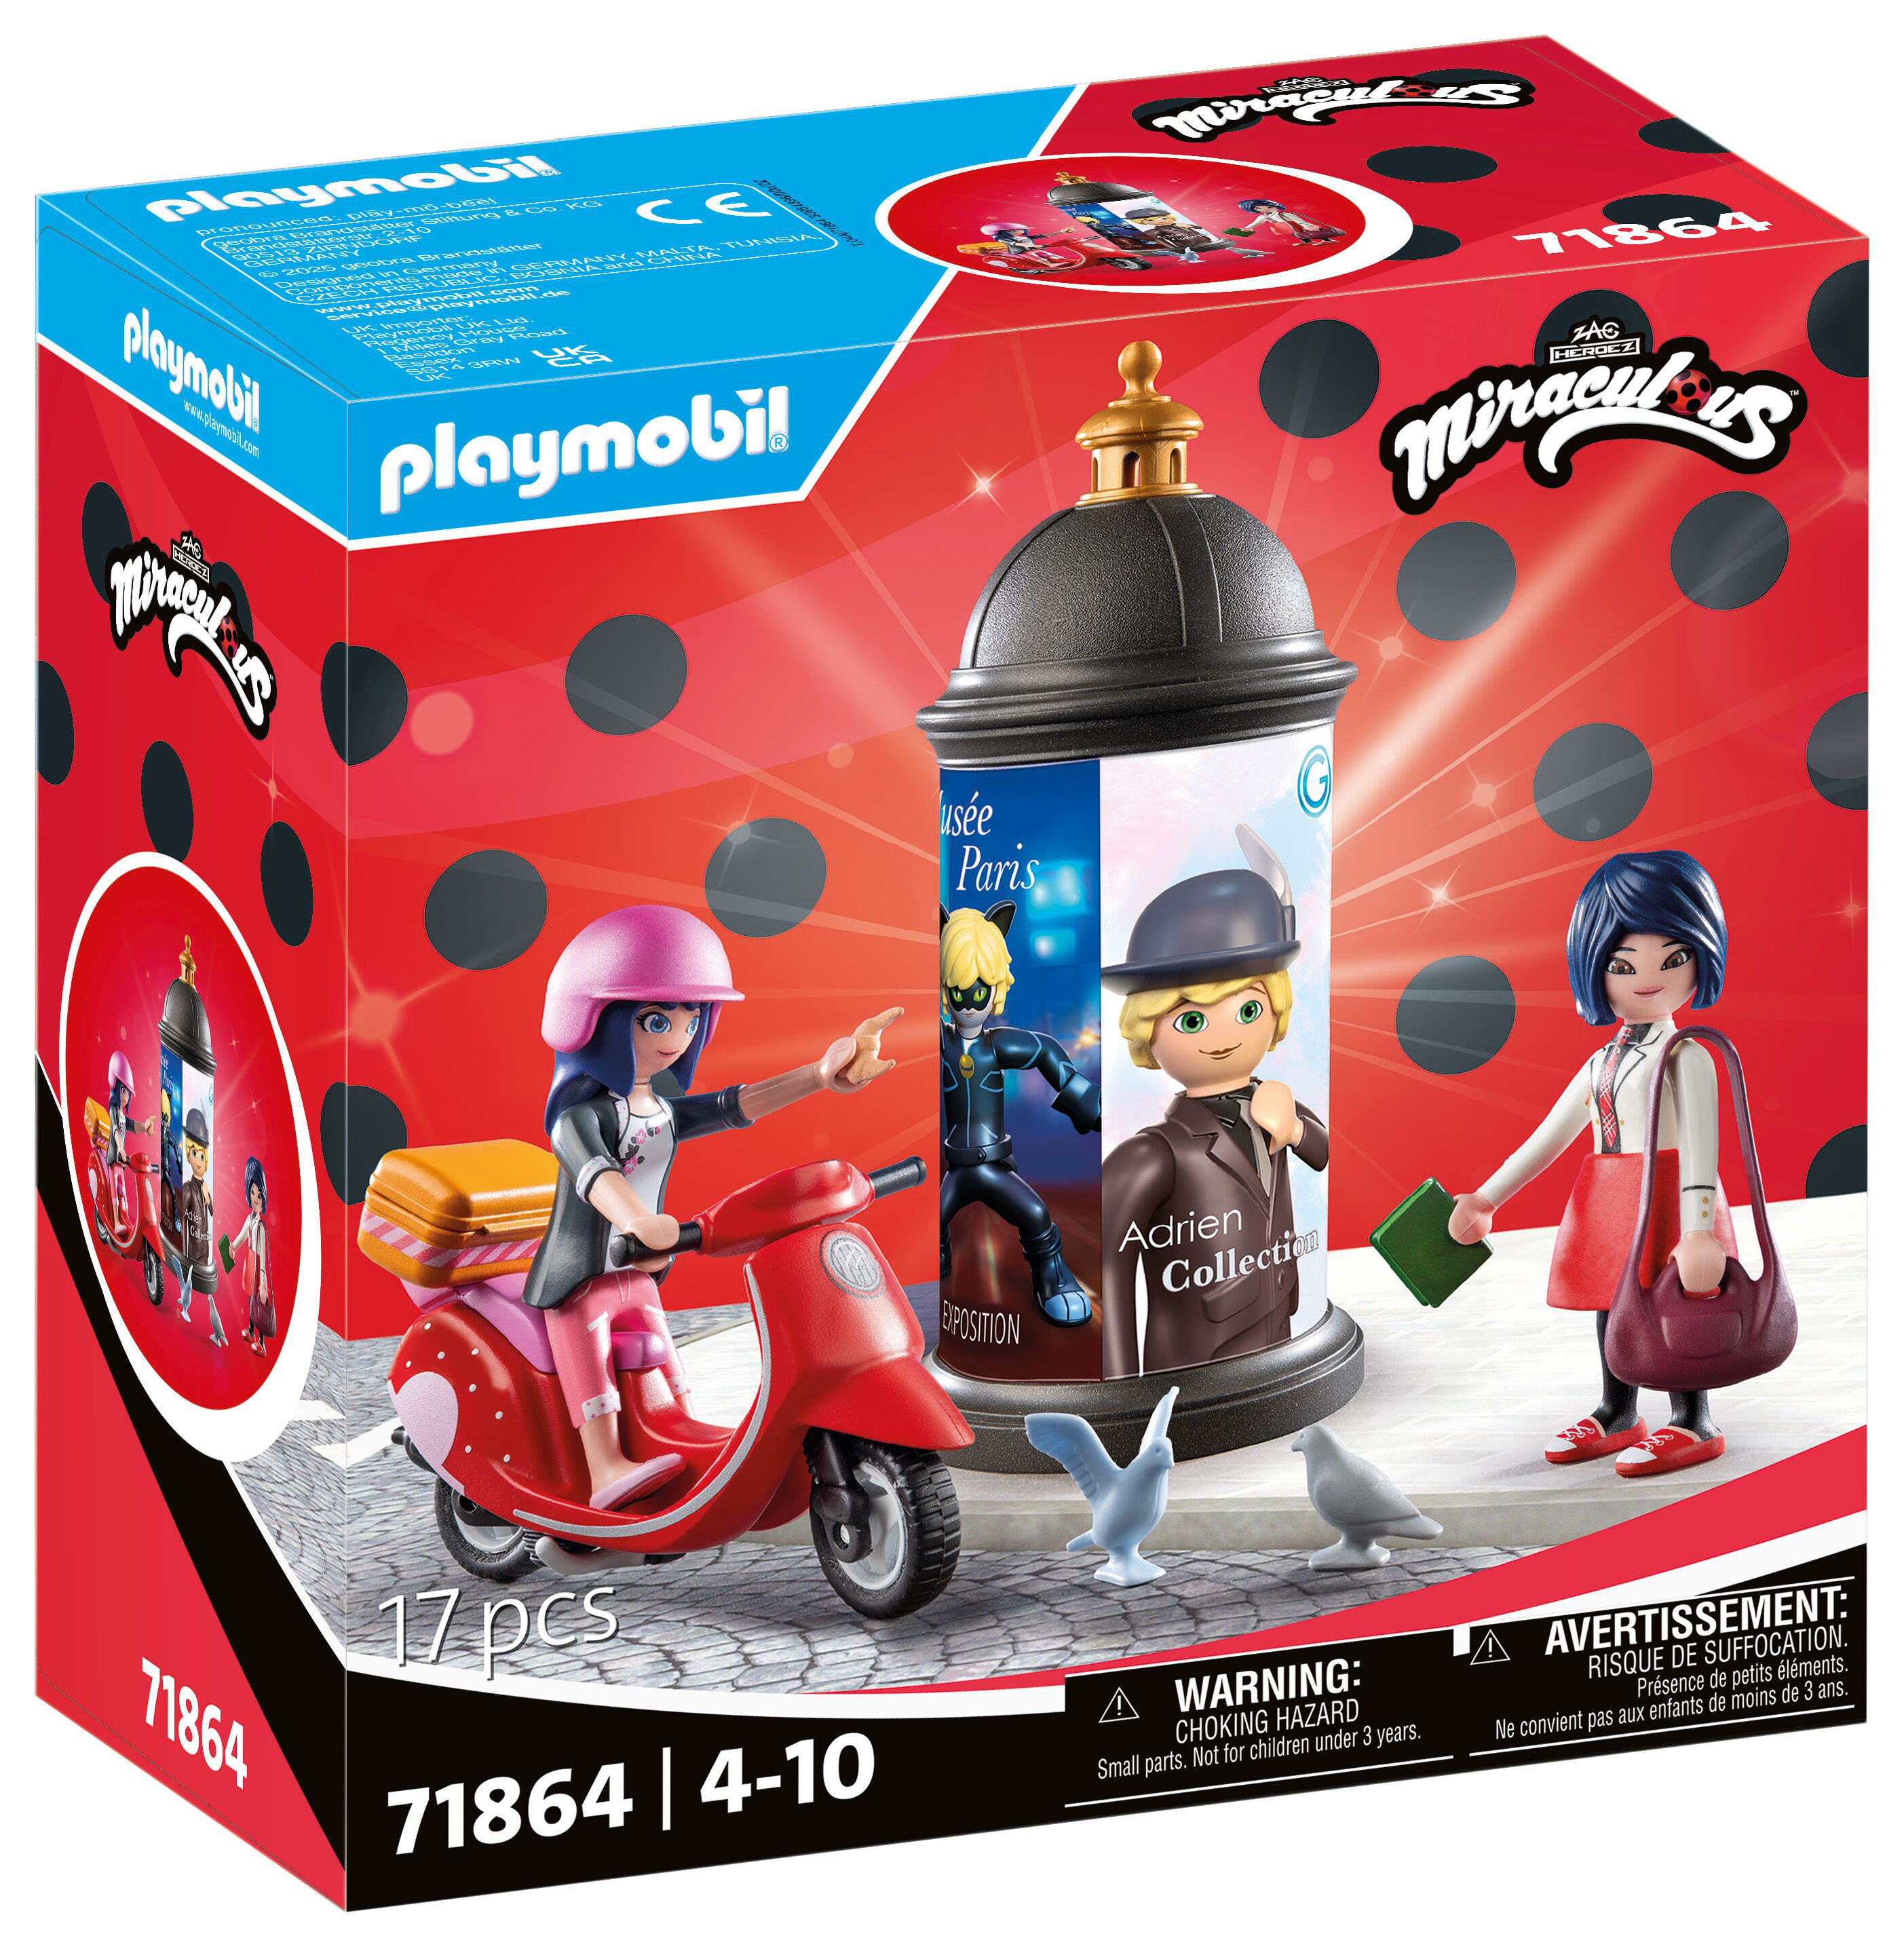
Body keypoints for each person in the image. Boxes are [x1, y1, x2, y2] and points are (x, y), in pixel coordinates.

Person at [522, 905, 900, 1509]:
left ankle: (677, 1436)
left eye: (691, 1018)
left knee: (663, 1358)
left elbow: (734, 1105)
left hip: (641, 1267)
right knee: (591, 1357)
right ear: (594, 1020)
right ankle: (604, 1467)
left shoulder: (658, 1111)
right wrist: (636, 1219)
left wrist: (818, 1075)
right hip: (580, 1277)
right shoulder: (577, 1119)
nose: (677, 1037)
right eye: (656, 1020)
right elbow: (595, 1175)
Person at [1447, 850, 1736, 1477]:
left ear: (1703, 956)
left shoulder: (1687, 1054)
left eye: (1674, 958)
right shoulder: (1600, 1062)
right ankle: (1618, 1410)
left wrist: (1699, 1229)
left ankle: (1693, 1418)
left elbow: (1703, 1146)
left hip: (1671, 1195)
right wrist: (1487, 1197)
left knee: (1674, 1305)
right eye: (1622, 965)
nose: (1649, 977)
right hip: (1608, 1196)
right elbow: (1548, 1137)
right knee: (1613, 1302)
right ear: (1594, 967)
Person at [1100, 827, 1327, 1378]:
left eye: (1248, 1010)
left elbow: (1322, 1151)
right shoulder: (1154, 1155)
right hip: (1197, 1365)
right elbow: (1109, 1275)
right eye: (1191, 1020)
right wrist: (1122, 1393)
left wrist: (1294, 1128)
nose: (1222, 1036)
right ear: (1147, 1030)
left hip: (1280, 1336)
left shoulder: (1274, 1103)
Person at [938, 902, 1099, 1326]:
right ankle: (940, 1250)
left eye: (978, 993)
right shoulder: (944, 1041)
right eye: (957, 993)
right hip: (955, 1170)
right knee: (931, 1223)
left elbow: (1043, 1049)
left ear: (994, 990)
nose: (967, 1005)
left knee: (1036, 1215)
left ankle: (1054, 1280)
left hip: (994, 1166)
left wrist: (1079, 1092)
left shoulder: (996, 1045)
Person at [102, 1051, 152, 1232]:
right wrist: (121, 1149)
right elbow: (115, 1129)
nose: (126, 1097)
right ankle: (116, 1221)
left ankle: (125, 1218)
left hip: (122, 1160)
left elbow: (131, 1125)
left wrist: (145, 1127)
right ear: (115, 1084)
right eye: (123, 1090)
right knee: (115, 1191)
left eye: (128, 1093)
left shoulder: (123, 1114)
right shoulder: (113, 1109)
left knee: (123, 1189)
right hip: (114, 1158)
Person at [235, 1156, 273, 1354]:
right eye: (252, 1192)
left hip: (258, 1266)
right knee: (250, 1300)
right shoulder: (250, 1220)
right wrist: (233, 1247)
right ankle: (251, 1330)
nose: (255, 1198)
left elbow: (264, 1257)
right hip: (249, 1263)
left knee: (260, 1303)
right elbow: (242, 1236)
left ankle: (262, 1343)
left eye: (259, 1194)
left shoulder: (261, 1227)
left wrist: (263, 1282)